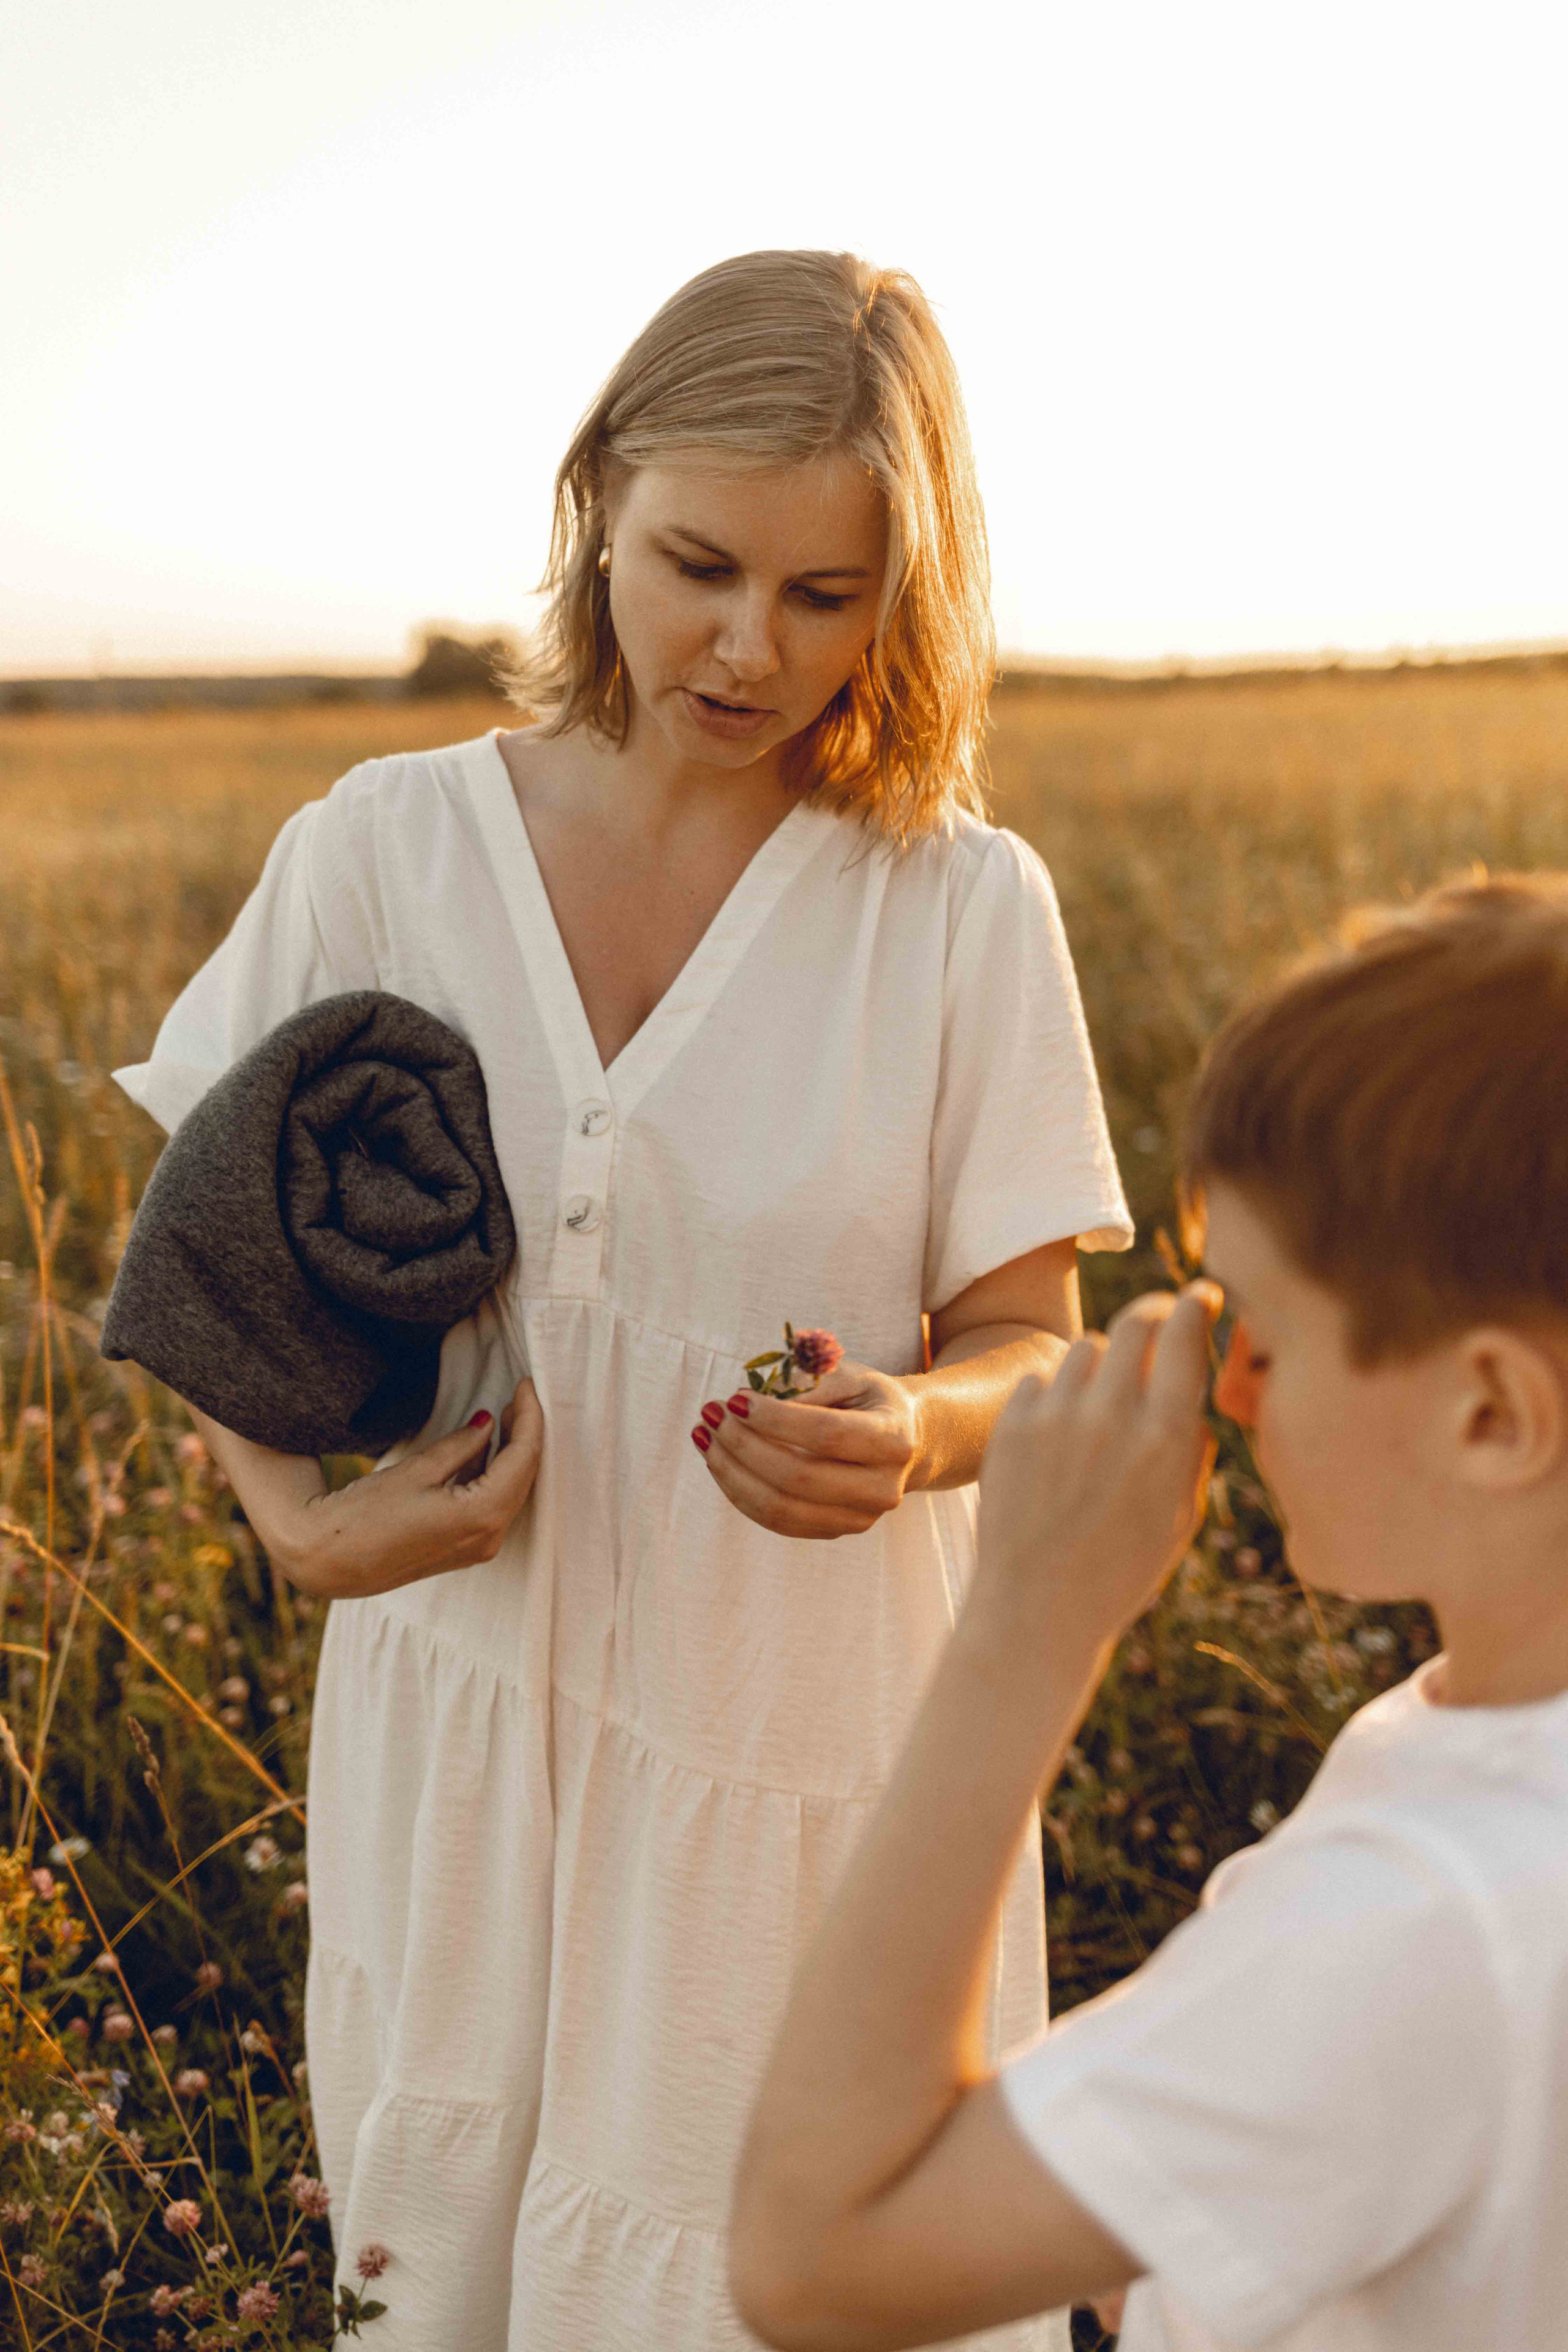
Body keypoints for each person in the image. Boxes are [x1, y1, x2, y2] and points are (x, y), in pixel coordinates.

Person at [111, 247, 1133, 2351]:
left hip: (804, 1773)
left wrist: (914, 1432)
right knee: (451, 2272)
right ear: (599, 500)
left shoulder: (955, 909)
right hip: (466, 1755)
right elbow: (205, 1243)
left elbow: (1040, 1350)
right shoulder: (386, 846)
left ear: (907, 589)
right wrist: (298, 1521)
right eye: (699, 563)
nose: (748, 644)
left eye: (828, 595)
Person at [732, 872, 1568, 2352]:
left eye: (1263, 1331)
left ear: (1491, 1413)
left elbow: (813, 2258)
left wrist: (1024, 1628)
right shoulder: (1477, 1756)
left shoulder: (1419, 1917)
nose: (1225, 1388)